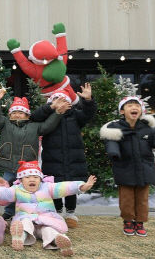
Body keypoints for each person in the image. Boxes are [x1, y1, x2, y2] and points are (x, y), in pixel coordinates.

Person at [100, 96, 155, 237]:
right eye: (129, 105)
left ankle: (140, 222)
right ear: (122, 111)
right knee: (126, 199)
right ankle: (128, 221)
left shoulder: (147, 130)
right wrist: (113, 151)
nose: (134, 108)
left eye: (137, 105)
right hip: (124, 169)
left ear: (141, 110)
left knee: (142, 199)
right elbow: (111, 141)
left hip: (145, 170)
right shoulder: (115, 128)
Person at [0, 161, 96, 256]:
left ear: (40, 179)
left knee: (48, 230)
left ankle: (58, 240)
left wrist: (81, 186)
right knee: (24, 224)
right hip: (26, 217)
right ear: (21, 180)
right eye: (27, 177)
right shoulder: (17, 189)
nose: (32, 179)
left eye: (35, 177)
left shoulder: (48, 187)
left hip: (46, 219)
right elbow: (4, 192)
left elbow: (64, 187)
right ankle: (19, 237)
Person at [0, 88, 66, 220]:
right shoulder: (5, 124)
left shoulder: (35, 126)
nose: (17, 115)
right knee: (7, 189)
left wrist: (57, 113)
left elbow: (48, 125)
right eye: (14, 112)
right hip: (8, 164)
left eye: (20, 112)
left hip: (27, 166)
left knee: (24, 189)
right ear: (10, 115)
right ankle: (6, 211)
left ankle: (23, 212)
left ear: (27, 115)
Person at [30, 84, 97, 227]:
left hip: (74, 158)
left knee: (72, 186)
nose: (61, 103)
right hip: (53, 159)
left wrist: (88, 100)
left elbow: (89, 114)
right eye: (57, 100)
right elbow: (34, 117)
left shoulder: (75, 115)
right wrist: (51, 108)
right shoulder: (47, 115)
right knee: (55, 186)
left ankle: (71, 213)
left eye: (64, 100)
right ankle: (57, 211)